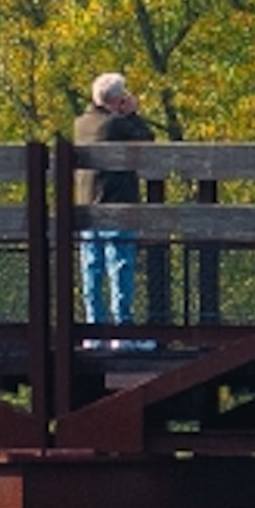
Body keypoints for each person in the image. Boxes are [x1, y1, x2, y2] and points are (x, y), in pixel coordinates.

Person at [72, 72, 156, 342]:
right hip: (116, 204)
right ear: (117, 100)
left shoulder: (81, 124)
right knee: (120, 267)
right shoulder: (117, 125)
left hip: (86, 207)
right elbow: (147, 140)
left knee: (92, 269)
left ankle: (93, 332)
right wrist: (132, 114)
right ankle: (123, 332)